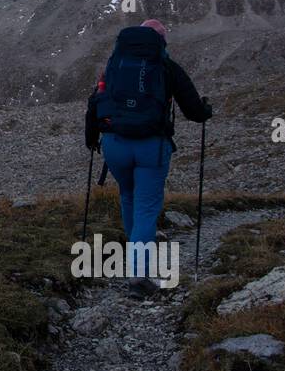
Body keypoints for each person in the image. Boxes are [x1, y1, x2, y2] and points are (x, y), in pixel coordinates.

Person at [84, 18, 212, 295]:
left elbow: (96, 101)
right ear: (161, 42)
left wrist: (92, 138)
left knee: (128, 196)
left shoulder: (115, 63)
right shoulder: (166, 66)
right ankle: (139, 277)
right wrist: (205, 110)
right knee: (146, 208)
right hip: (150, 146)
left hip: (115, 145)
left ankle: (134, 263)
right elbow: (193, 111)